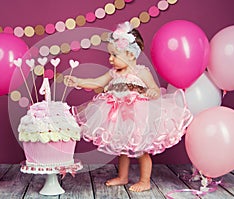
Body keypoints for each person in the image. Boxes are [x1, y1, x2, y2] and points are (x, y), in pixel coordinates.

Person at [64, 22, 193, 192]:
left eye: (115, 55)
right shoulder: (113, 73)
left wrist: (153, 93)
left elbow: (153, 88)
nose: (110, 59)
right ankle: (123, 176)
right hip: (118, 115)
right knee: (122, 148)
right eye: (110, 54)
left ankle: (145, 180)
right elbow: (97, 82)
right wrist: (79, 82)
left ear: (131, 55)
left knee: (141, 149)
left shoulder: (141, 72)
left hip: (138, 116)